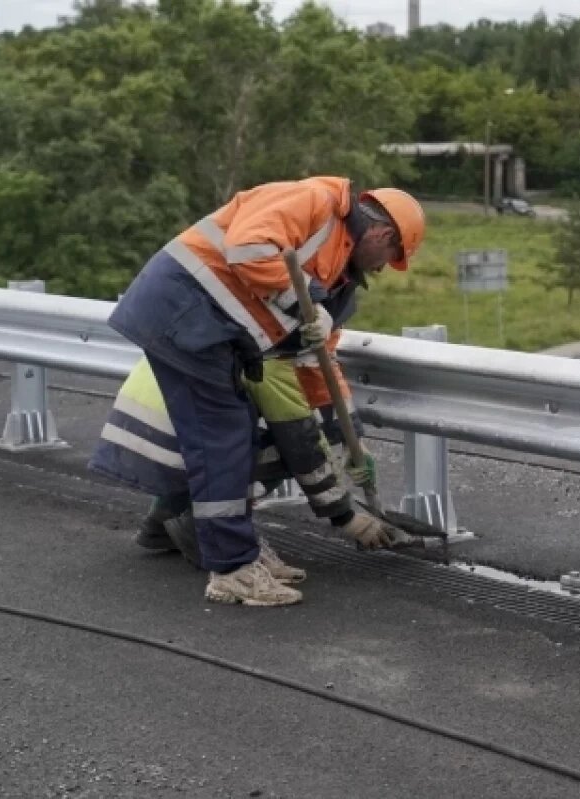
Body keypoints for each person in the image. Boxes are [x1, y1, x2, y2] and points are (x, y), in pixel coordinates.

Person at [101, 178, 425, 607]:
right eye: (390, 259)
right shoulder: (315, 202)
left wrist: (350, 439)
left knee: (234, 437)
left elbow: (318, 368)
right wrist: (307, 302)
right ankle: (233, 568)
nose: (382, 270)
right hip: (184, 314)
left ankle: (200, 538)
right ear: (383, 235)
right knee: (224, 439)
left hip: (207, 330)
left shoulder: (336, 268)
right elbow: (248, 248)